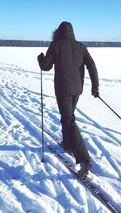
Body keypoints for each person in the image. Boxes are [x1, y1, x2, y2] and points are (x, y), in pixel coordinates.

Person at [37, 21, 99, 177]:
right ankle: (67, 143)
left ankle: (84, 160)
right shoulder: (81, 47)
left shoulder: (55, 45)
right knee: (67, 117)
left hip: (63, 90)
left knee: (69, 120)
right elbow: (92, 66)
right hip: (77, 90)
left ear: (59, 32)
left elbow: (46, 66)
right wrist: (95, 87)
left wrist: (40, 59)